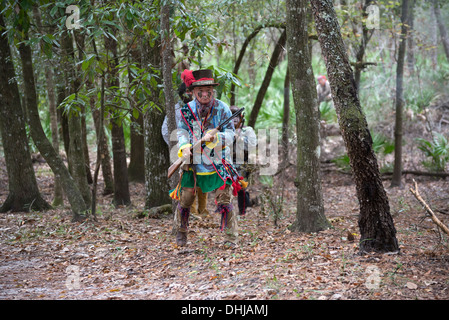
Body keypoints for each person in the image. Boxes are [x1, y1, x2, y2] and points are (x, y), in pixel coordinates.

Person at [170, 69, 244, 248]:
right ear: (193, 92)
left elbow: (230, 134)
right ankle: (181, 232)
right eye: (200, 91)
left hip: (218, 161)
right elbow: (181, 132)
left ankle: (230, 238)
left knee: (225, 199)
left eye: (208, 91)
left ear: (213, 91)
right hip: (194, 162)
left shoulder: (223, 108)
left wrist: (216, 138)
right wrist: (185, 147)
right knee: (186, 198)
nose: (205, 94)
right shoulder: (186, 111)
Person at [162, 83, 209, 218]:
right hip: (184, 151)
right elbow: (166, 131)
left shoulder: (201, 108)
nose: (189, 94)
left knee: (203, 176)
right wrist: (180, 148)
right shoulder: (177, 110)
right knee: (189, 179)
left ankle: (203, 209)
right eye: (186, 92)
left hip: (201, 149)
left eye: (191, 91)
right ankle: (192, 210)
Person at [230, 105, 257, 216]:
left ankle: (243, 211)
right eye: (232, 116)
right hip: (229, 162)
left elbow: (252, 145)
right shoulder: (225, 130)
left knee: (241, 187)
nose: (235, 119)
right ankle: (227, 211)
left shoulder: (248, 130)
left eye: (237, 116)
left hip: (243, 162)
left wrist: (240, 139)